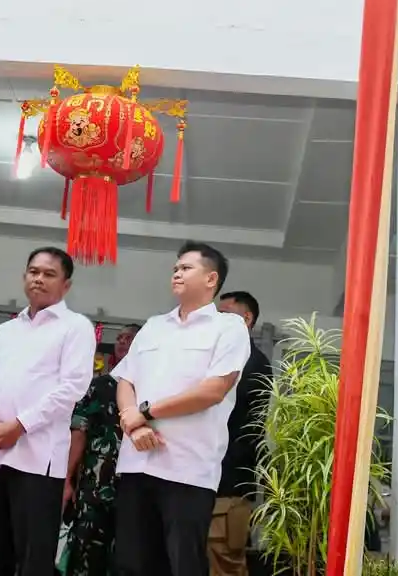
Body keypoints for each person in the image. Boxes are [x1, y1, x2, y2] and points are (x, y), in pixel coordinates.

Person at [112, 241, 251, 576]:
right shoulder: (154, 326)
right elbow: (125, 380)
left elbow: (213, 391)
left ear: (211, 279)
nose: (177, 273)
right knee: (131, 564)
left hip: (188, 469)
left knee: (183, 565)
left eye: (186, 268)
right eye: (175, 268)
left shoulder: (229, 328)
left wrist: (145, 413)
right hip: (136, 463)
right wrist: (134, 424)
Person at [0, 247, 96, 576]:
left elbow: (72, 388)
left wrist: (20, 425)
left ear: (66, 285)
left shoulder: (75, 327)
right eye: (33, 271)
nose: (39, 278)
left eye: (49, 274)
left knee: (32, 558)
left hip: (38, 461)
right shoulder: (6, 330)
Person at [210, 291, 271, 576]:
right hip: (210, 476)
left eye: (225, 314)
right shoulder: (224, 357)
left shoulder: (252, 362)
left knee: (223, 557)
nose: (217, 321)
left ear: (246, 319)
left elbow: (240, 423)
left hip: (231, 481)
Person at [62, 370, 121, 576]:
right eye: (120, 337)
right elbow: (79, 431)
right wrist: (67, 480)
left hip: (137, 493)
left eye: (129, 339)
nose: (124, 342)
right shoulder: (99, 386)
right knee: (85, 555)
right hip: (93, 489)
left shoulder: (151, 387)